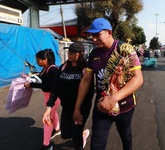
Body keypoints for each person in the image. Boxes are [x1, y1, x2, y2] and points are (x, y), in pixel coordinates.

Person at [73, 18, 143, 150]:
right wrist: (77, 107)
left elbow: (138, 79)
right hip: (102, 107)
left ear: (109, 32)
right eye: (92, 35)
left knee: (125, 135)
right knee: (96, 143)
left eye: (98, 34)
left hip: (124, 106)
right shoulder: (94, 53)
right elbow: (86, 80)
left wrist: (114, 98)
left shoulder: (125, 50)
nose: (93, 39)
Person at [42, 42, 94, 150]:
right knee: (65, 134)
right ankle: (82, 133)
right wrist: (49, 107)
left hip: (80, 108)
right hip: (66, 107)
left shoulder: (85, 69)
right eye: (68, 52)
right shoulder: (63, 67)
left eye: (72, 53)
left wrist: (79, 110)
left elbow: (89, 94)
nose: (69, 54)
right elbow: (55, 88)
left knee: (75, 135)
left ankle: (79, 139)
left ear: (80, 54)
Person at [24, 49, 61, 150]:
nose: (37, 62)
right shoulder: (45, 68)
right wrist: (31, 77)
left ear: (46, 59)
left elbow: (48, 86)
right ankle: (57, 128)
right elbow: (42, 79)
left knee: (47, 120)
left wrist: (31, 84)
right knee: (52, 114)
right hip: (47, 97)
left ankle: (46, 145)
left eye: (39, 60)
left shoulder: (53, 70)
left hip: (53, 98)